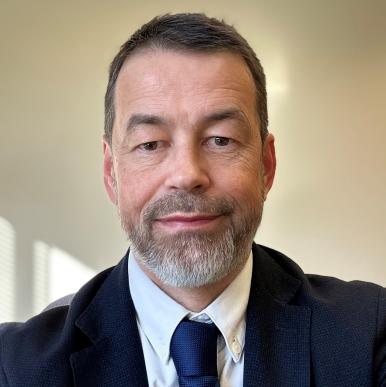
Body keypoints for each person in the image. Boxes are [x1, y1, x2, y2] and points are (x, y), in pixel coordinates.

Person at [0, 13, 385, 387]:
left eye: (221, 139)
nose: (186, 175)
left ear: (266, 165)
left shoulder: (368, 336)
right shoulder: (14, 367)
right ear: (110, 173)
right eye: (150, 144)